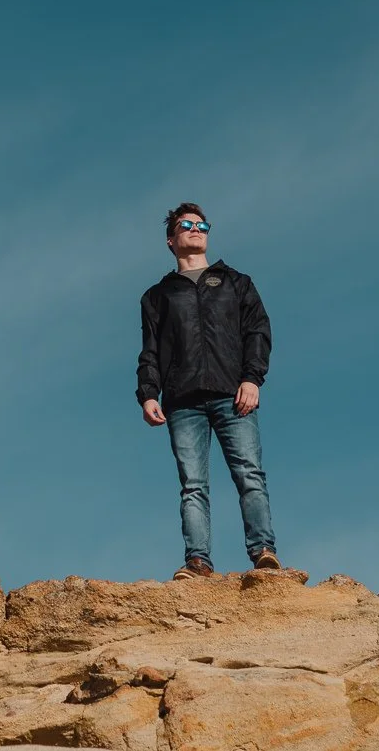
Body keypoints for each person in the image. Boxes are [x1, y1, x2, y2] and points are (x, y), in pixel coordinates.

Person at [136, 202, 280, 580]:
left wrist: (252, 379)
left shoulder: (235, 282)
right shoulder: (157, 295)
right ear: (171, 240)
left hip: (233, 394)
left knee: (250, 474)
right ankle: (198, 562)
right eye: (187, 225)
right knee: (193, 486)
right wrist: (148, 393)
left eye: (202, 225)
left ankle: (263, 551)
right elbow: (150, 351)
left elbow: (257, 331)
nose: (196, 230)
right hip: (182, 400)